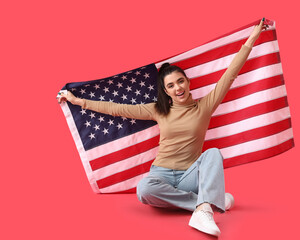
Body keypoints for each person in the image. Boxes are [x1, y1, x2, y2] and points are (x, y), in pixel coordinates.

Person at [59, 18, 268, 237]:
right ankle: (207, 201)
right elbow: (117, 109)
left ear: (188, 82)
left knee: (213, 153)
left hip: (191, 176)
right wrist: (80, 102)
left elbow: (230, 74)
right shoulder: (159, 110)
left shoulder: (204, 106)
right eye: (170, 85)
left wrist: (252, 37)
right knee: (144, 190)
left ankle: (204, 209)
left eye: (180, 81)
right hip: (162, 175)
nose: (177, 88)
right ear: (166, 91)